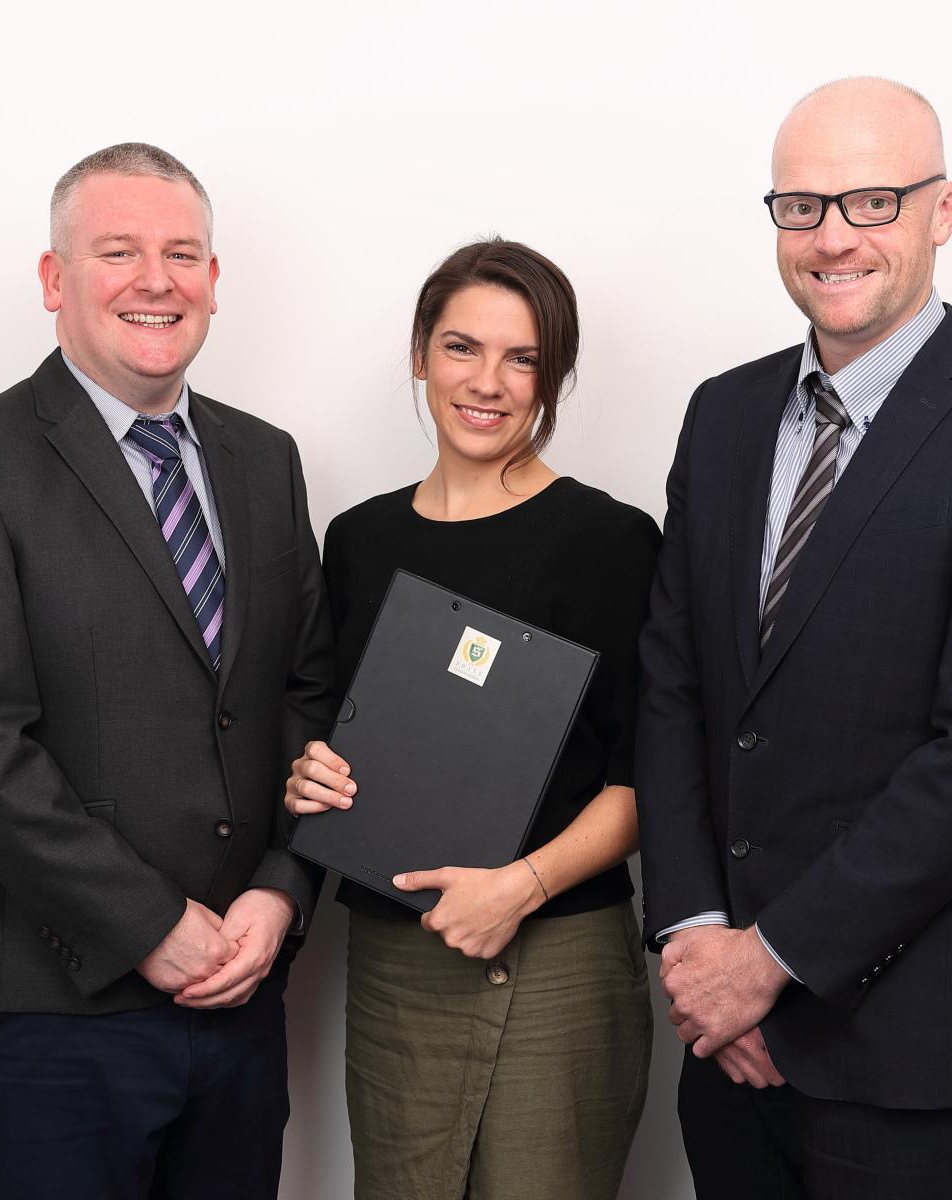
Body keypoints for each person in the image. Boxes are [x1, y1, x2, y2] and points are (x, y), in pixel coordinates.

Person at [638, 78, 952, 1197]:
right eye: (802, 206)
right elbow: (673, 684)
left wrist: (769, 962)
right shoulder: (724, 414)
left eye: (873, 202)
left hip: (898, 1057)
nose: (834, 237)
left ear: (945, 211)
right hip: (722, 1043)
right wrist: (699, 942)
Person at [0, 142, 335, 1198]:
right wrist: (148, 925)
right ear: (55, 280)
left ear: (213, 280)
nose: (156, 280)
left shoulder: (265, 460)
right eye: (118, 251)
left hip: (239, 989)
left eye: (182, 254)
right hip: (53, 1003)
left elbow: (307, 695)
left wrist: (282, 891)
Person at [284, 239, 658, 1199]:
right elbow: (329, 733)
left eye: (522, 358)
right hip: (396, 965)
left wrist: (521, 886)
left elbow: (649, 781)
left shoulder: (611, 541)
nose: (487, 382)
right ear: (420, 354)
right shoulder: (359, 539)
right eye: (461, 347)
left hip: (559, 958)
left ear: (553, 376)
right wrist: (309, 774)